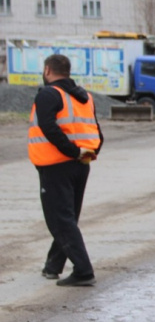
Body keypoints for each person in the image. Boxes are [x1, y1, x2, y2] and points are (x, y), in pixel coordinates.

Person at [29, 54, 103, 287]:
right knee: (68, 216)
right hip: (81, 164)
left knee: (60, 219)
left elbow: (48, 127)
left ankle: (83, 270)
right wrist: (86, 151)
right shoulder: (84, 97)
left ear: (48, 70)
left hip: (55, 164)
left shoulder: (48, 94)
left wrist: (71, 151)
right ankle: (53, 265)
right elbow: (97, 132)